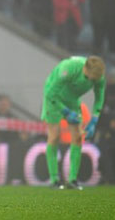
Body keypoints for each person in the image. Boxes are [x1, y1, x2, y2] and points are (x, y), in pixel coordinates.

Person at [42, 56, 105, 190]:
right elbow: (50, 93)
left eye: (94, 80)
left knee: (77, 137)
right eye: (88, 78)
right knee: (54, 136)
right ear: (84, 68)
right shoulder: (69, 68)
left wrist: (94, 120)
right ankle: (54, 180)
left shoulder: (99, 78)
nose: (91, 81)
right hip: (54, 97)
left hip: (72, 100)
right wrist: (65, 112)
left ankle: (72, 180)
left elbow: (99, 98)